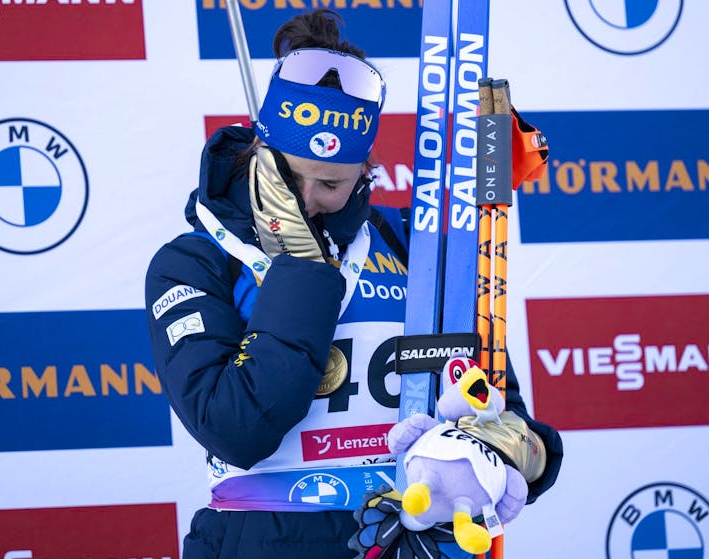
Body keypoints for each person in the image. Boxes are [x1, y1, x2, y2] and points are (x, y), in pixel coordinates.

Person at [144, 9, 562, 559]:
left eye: (331, 184)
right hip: (265, 542)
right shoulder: (196, 261)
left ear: (365, 172)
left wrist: (519, 451)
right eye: (286, 177)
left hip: (412, 537)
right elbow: (237, 429)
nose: (304, 200)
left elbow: (497, 401)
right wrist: (303, 268)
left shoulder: (416, 246)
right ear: (257, 154)